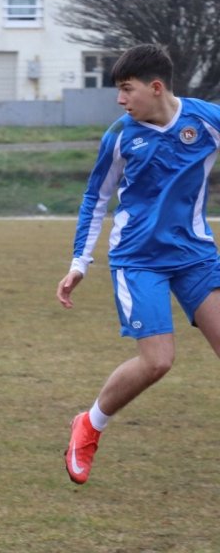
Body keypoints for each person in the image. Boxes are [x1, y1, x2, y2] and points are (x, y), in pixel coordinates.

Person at [58, 43, 220, 485]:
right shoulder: (121, 136)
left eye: (126, 89)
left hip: (195, 255)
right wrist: (80, 262)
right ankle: (89, 424)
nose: (120, 99)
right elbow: (96, 199)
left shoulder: (207, 120)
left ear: (155, 87)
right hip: (138, 260)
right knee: (157, 362)